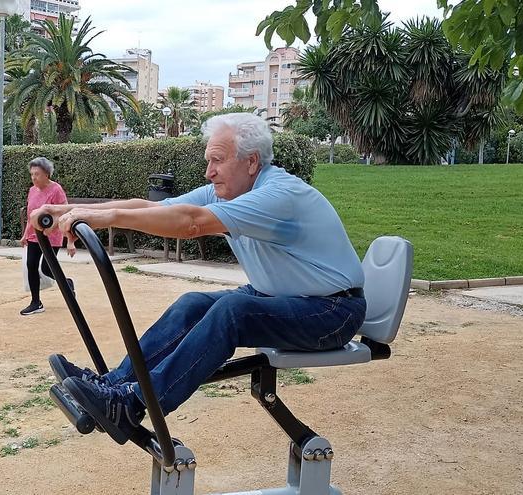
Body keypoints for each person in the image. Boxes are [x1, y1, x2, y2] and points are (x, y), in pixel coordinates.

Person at [30, 113, 367, 445]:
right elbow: (153, 208)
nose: (209, 172)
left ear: (251, 162)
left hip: (332, 311)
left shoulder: (278, 195)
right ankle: (112, 386)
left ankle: (132, 404)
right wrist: (69, 210)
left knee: (233, 310)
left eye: (217, 161)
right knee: (192, 304)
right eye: (208, 161)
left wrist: (106, 218)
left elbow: (191, 223)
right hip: (281, 297)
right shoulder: (226, 192)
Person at [20, 157, 76, 316]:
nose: (33, 178)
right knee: (31, 265)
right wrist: (25, 235)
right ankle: (36, 302)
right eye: (31, 174)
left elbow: (66, 213)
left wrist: (70, 240)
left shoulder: (56, 190)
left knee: (46, 268)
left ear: (46, 174)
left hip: (52, 235)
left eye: (37, 174)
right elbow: (32, 215)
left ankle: (66, 283)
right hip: (33, 235)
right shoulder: (32, 190)